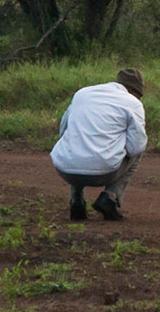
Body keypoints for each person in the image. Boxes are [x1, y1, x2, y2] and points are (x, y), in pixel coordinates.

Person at [49, 67, 147, 222]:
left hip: (65, 169)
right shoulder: (132, 103)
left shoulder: (82, 94)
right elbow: (136, 147)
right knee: (138, 152)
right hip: (103, 173)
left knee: (77, 142)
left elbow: (63, 130)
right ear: (132, 90)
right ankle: (109, 197)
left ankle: (76, 199)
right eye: (139, 95)